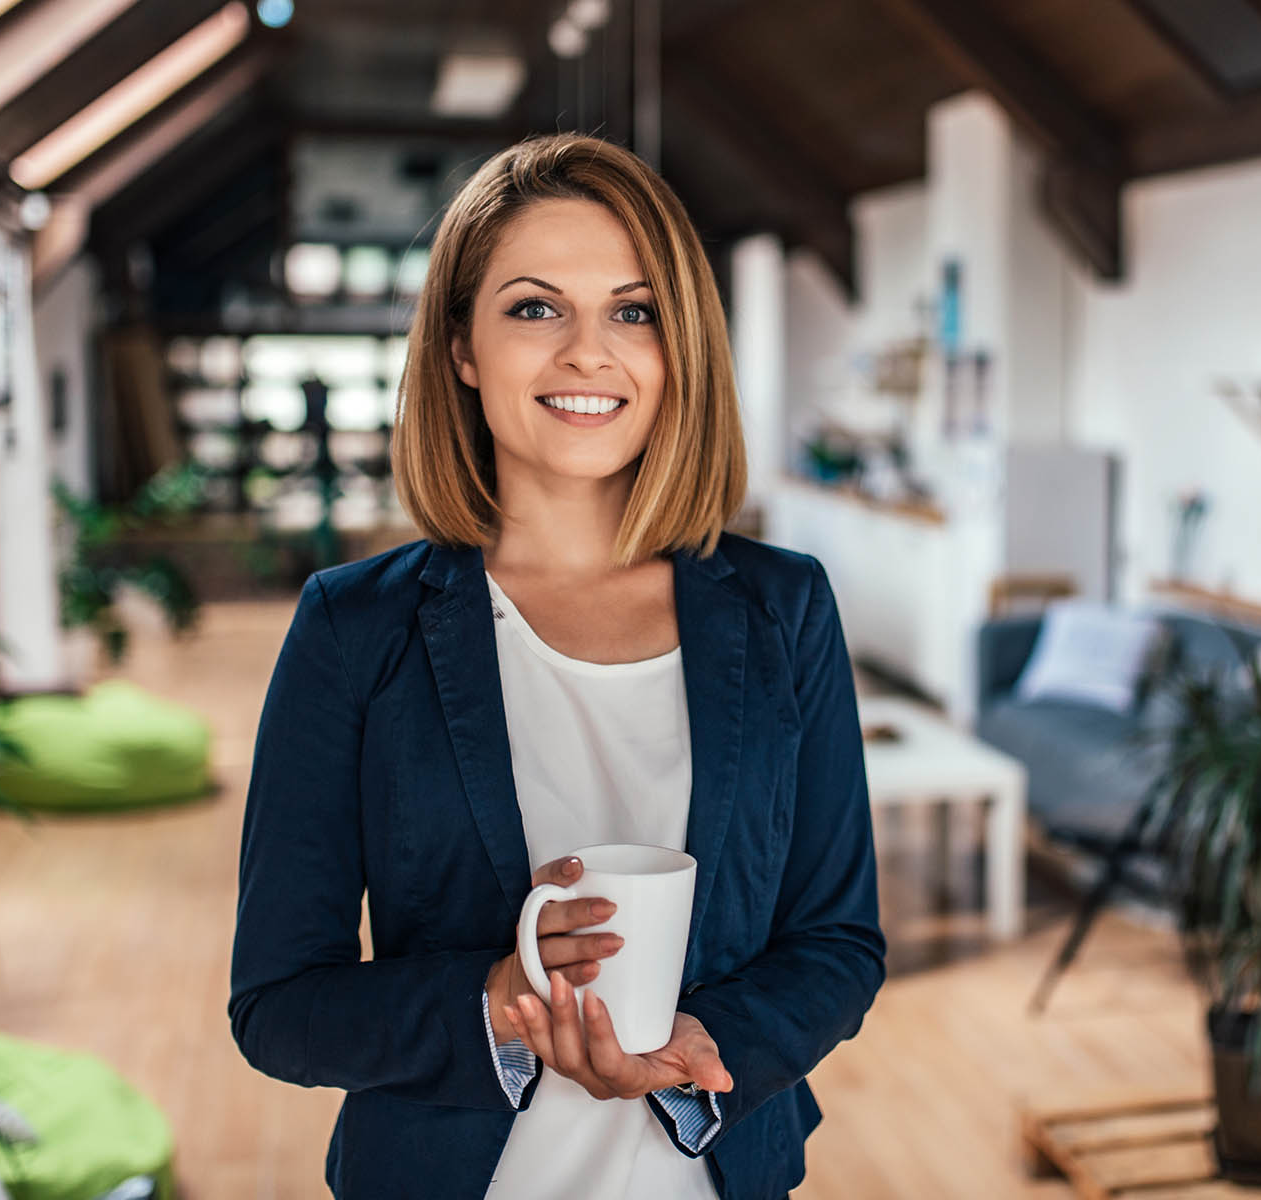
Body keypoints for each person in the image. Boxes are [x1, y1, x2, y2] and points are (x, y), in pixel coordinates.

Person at [227, 132, 886, 1200]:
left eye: (634, 312)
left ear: (680, 349)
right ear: (461, 348)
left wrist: (695, 1048)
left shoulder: (784, 608)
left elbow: (838, 943)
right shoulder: (355, 628)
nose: (590, 353)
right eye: (536, 308)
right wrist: (492, 1002)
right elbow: (279, 1007)